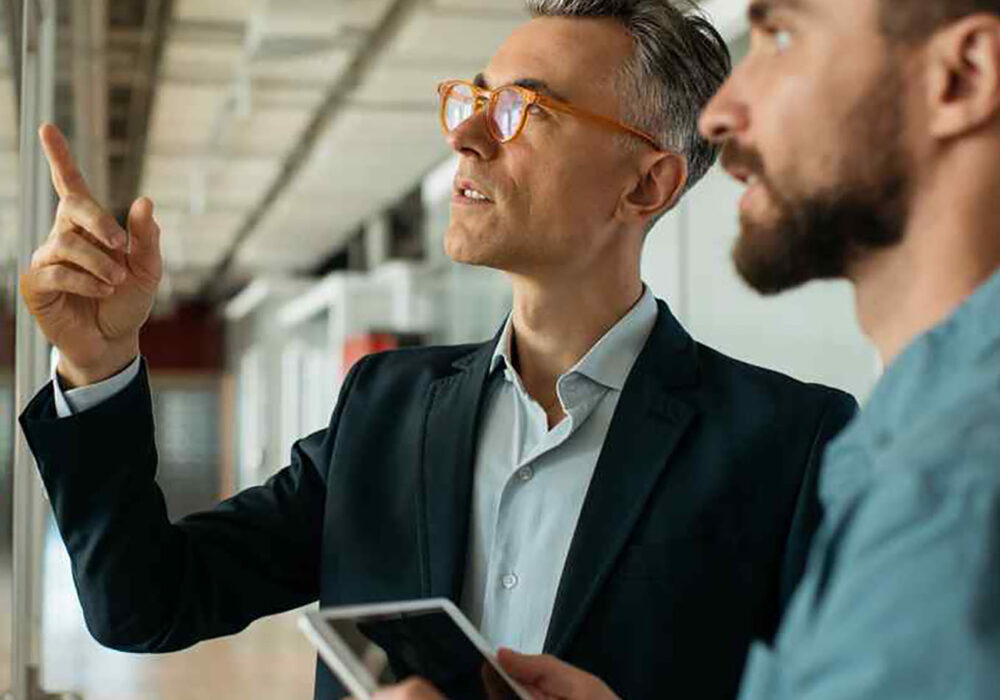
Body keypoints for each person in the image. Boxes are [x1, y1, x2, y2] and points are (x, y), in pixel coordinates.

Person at [17, 2, 857, 699]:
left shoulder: (791, 445)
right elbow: (143, 603)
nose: (466, 136)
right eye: (472, 99)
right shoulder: (386, 405)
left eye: (524, 110)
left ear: (647, 184)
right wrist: (99, 366)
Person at [377, 0, 1000, 697]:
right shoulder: (897, 441)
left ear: (963, 76)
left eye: (783, 36)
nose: (718, 115)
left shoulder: (946, 461)